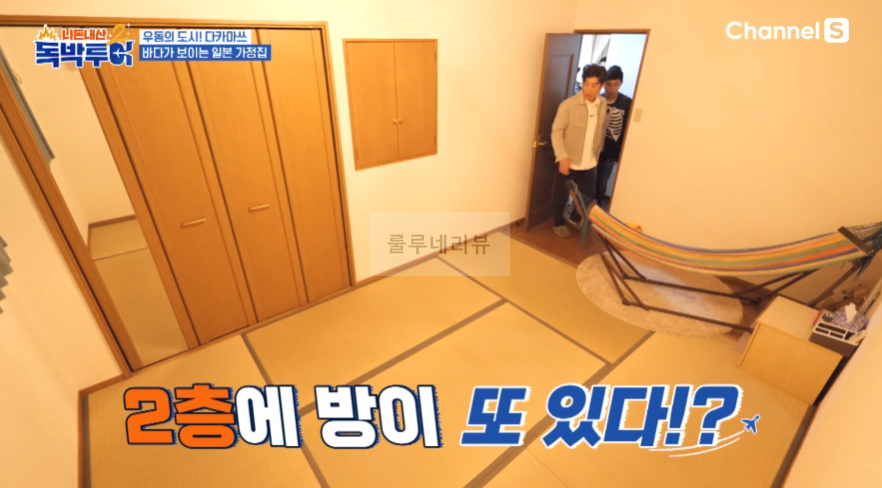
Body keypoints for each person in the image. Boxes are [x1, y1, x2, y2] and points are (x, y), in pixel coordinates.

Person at [549, 64, 609, 238]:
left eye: (594, 85)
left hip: (590, 162)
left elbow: (600, 130)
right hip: (569, 160)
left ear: (601, 86)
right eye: (586, 84)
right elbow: (556, 131)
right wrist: (562, 157)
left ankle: (575, 219)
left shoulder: (602, 104)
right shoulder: (568, 105)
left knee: (587, 195)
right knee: (561, 194)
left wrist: (597, 153)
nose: (588, 89)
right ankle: (558, 222)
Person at [596, 65, 632, 209]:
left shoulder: (627, 103)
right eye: (608, 84)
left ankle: (597, 209)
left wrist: (619, 153)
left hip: (610, 152)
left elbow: (627, 129)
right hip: (593, 149)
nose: (611, 88)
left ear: (621, 84)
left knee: (602, 182)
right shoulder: (597, 100)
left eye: (616, 84)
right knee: (587, 181)